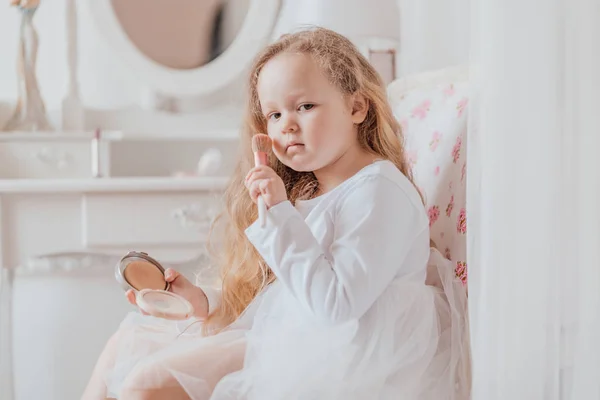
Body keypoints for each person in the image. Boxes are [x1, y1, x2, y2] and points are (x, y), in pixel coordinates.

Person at [82, 26, 470, 400]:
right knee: (124, 343)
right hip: (295, 338)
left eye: (304, 106)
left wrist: (281, 214)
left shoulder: (379, 190)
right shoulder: (315, 191)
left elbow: (334, 306)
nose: (287, 126)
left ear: (356, 106)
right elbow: (281, 295)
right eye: (274, 115)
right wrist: (204, 301)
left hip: (337, 356)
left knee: (145, 384)